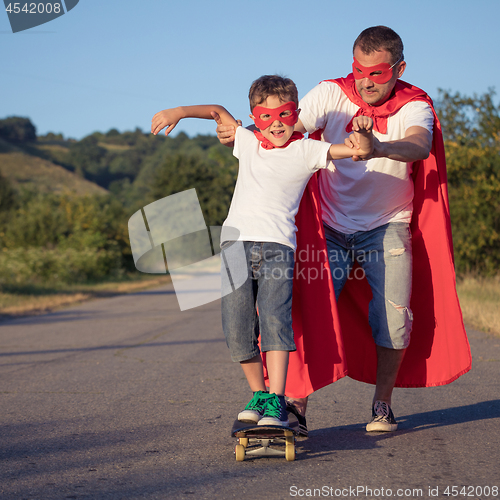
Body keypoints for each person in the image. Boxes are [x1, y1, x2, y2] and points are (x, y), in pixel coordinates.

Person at [215, 27, 471, 434]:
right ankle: (292, 404)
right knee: (305, 313)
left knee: (393, 319)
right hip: (329, 227)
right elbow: (285, 126)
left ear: (399, 69)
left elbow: (420, 144)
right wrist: (243, 133)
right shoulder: (332, 94)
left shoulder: (414, 104)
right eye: (359, 70)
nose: (366, 81)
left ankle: (382, 405)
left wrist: (379, 147)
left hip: (387, 226)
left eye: (379, 73)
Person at [151, 75, 374, 427]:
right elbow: (217, 112)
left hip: (278, 247)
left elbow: (359, 149)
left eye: (284, 116)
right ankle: (259, 393)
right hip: (234, 246)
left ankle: (277, 400)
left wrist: (363, 131)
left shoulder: (307, 149)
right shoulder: (248, 141)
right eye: (266, 117)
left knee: (275, 321)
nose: (276, 125)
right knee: (237, 327)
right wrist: (177, 111)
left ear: (295, 113)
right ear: (255, 117)